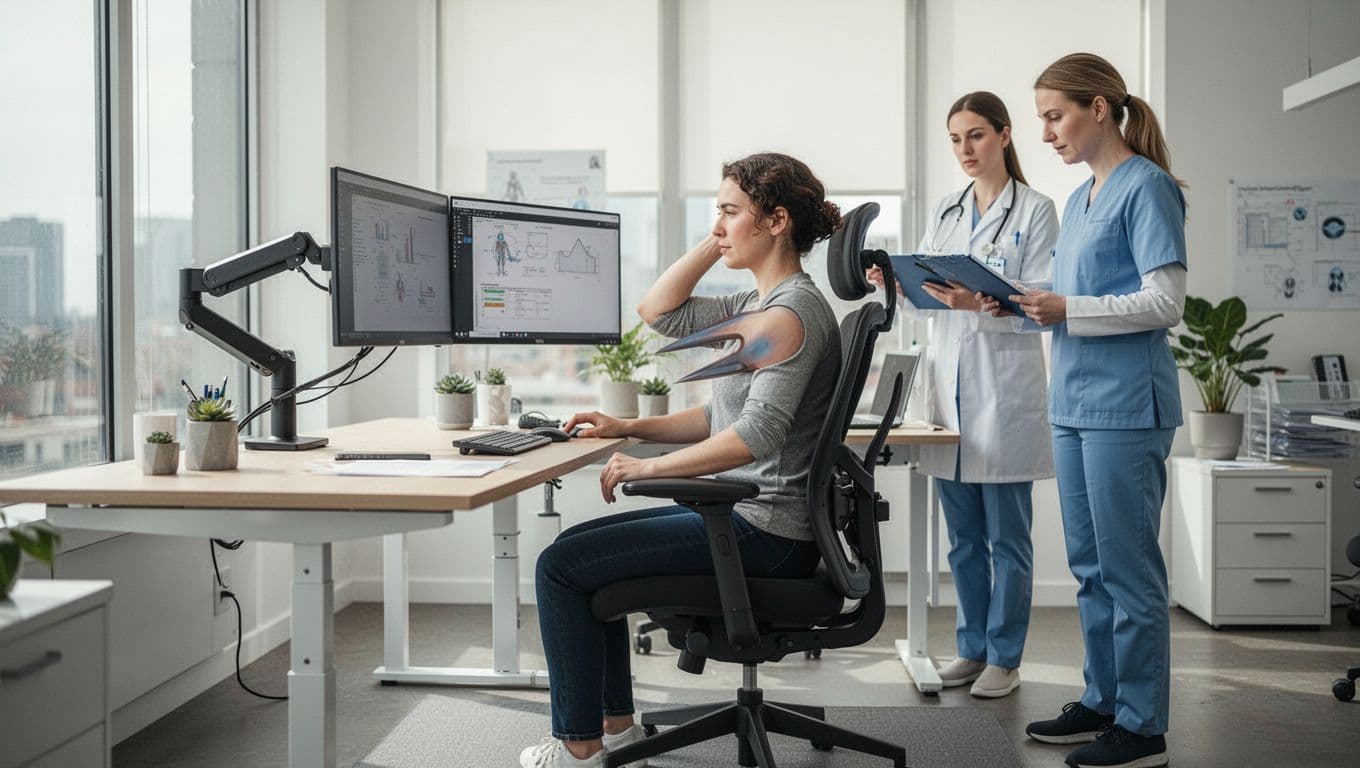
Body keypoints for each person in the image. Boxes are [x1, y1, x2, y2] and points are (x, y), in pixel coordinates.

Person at [519, 152, 844, 768]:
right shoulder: (760, 306)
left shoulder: (788, 315)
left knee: (562, 567)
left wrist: (650, 468)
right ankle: (613, 730)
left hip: (764, 531)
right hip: (753, 519)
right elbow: (658, 312)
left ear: (776, 221)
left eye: (729, 212)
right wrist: (630, 427)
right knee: (579, 563)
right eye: (714, 212)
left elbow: (759, 433)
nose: (717, 225)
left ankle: (581, 749)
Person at [988, 53, 1186, 768]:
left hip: (1127, 407)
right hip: (1072, 401)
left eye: (1053, 116)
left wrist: (1067, 306)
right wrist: (1018, 301)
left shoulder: (1148, 189)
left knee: (1129, 570)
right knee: (1090, 568)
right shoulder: (1080, 200)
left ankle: (1143, 727)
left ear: (1097, 108)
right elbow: (1074, 303)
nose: (1043, 134)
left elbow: (1165, 303)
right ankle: (1103, 700)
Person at [868, 91, 1058, 698]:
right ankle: (972, 649)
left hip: (1004, 393)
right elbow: (930, 289)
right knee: (964, 540)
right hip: (949, 394)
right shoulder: (948, 210)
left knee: (1009, 539)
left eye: (975, 135)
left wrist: (989, 303)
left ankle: (1006, 656)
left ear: (1004, 135)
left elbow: (1045, 300)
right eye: (955, 139)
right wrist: (896, 282)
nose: (965, 150)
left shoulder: (1036, 210)